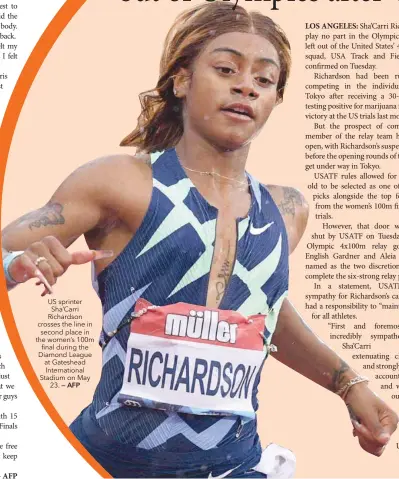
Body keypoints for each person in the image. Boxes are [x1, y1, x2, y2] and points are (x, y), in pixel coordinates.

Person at [1, 2, 398, 477]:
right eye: (226, 68)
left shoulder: (286, 210)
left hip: (234, 465)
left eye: (264, 80)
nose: (246, 85)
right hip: (105, 462)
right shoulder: (121, 182)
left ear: (275, 99)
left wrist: (348, 384)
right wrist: (15, 266)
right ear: (182, 80)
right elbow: (9, 247)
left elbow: (260, 309)